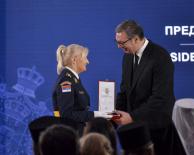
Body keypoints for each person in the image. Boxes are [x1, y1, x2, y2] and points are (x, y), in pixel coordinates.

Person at [113, 20, 186, 155]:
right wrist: (114, 114)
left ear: (135, 39)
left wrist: (132, 117)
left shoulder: (160, 56)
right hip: (135, 134)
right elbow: (124, 92)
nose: (118, 46)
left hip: (157, 133)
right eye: (117, 42)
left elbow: (161, 99)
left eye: (122, 43)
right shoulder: (127, 58)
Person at [52, 44, 110, 135]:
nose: (87, 61)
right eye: (85, 57)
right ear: (74, 60)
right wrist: (97, 114)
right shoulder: (66, 81)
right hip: (71, 137)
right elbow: (67, 115)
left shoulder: (73, 79)